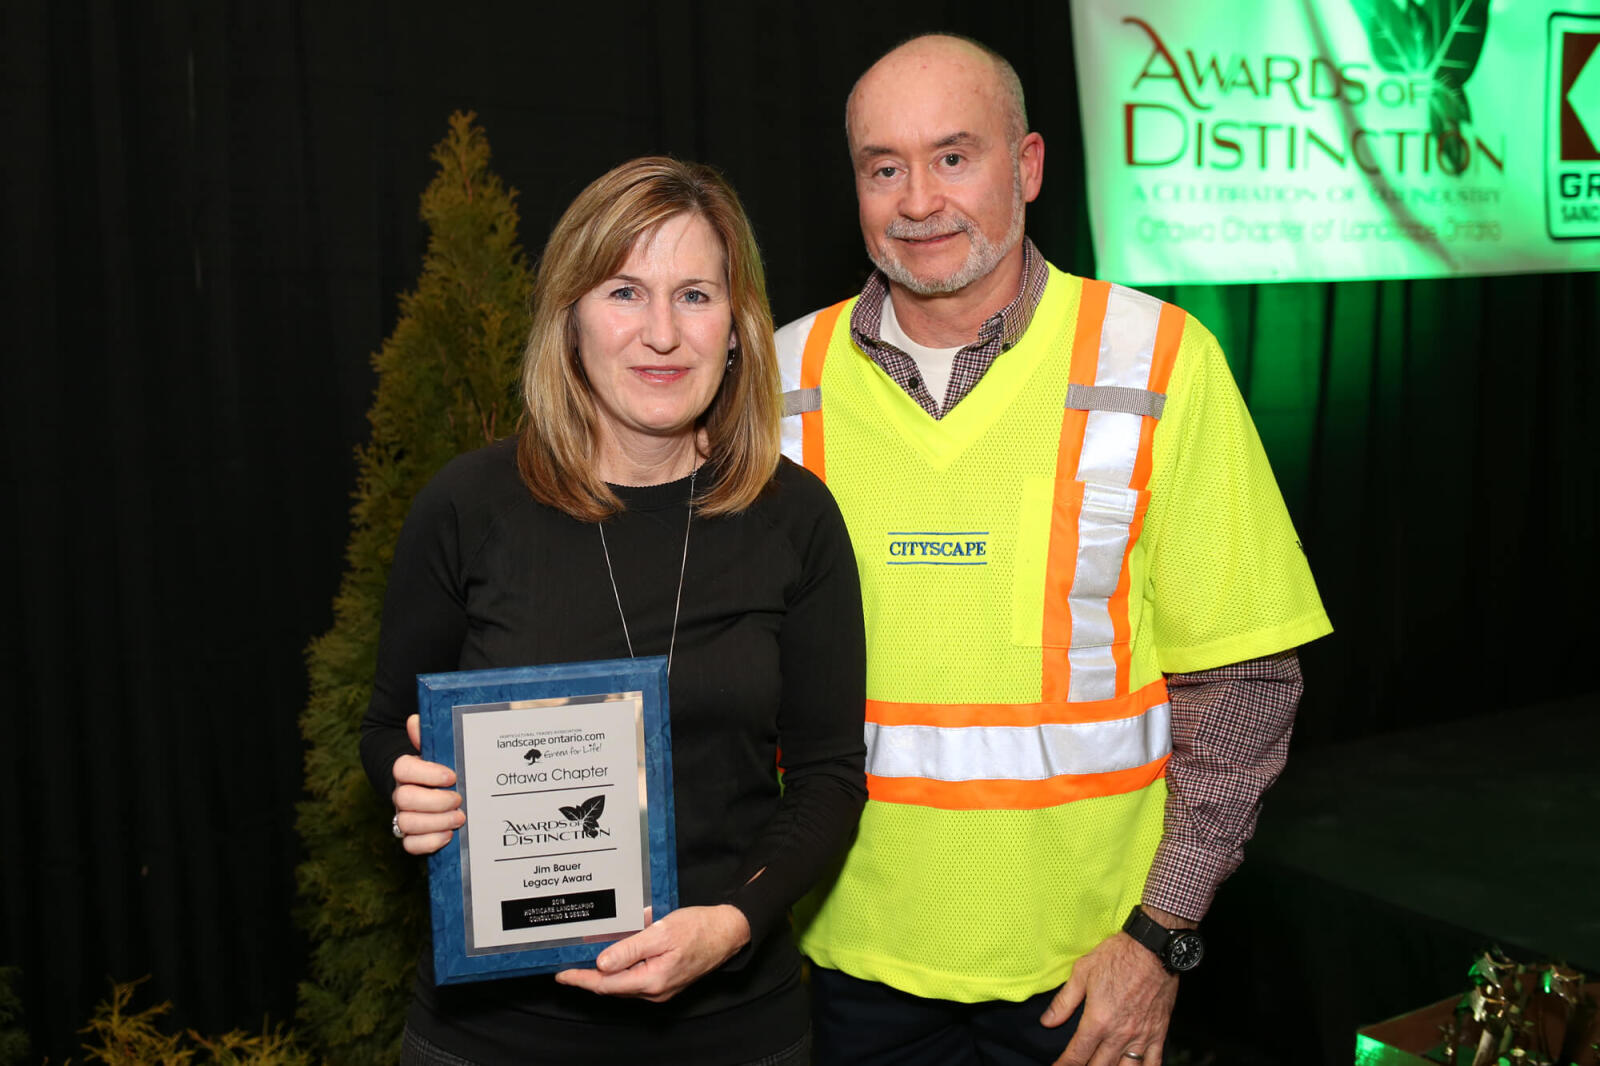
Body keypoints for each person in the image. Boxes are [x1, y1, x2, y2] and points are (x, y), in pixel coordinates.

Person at [774, 34, 1333, 1066]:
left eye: (953, 156)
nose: (917, 200)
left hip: (1088, 983)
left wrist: (1159, 937)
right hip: (834, 969)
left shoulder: (1161, 361)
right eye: (882, 166)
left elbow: (1245, 683)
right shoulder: (776, 383)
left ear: (1026, 167)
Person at [361, 156, 868, 1066]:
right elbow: (384, 731)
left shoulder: (797, 519)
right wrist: (413, 786)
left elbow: (831, 777)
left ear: (740, 328)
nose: (662, 334)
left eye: (696, 296)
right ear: (570, 319)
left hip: (733, 1033)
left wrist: (732, 924)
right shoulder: (467, 507)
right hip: (494, 1036)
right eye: (625, 291)